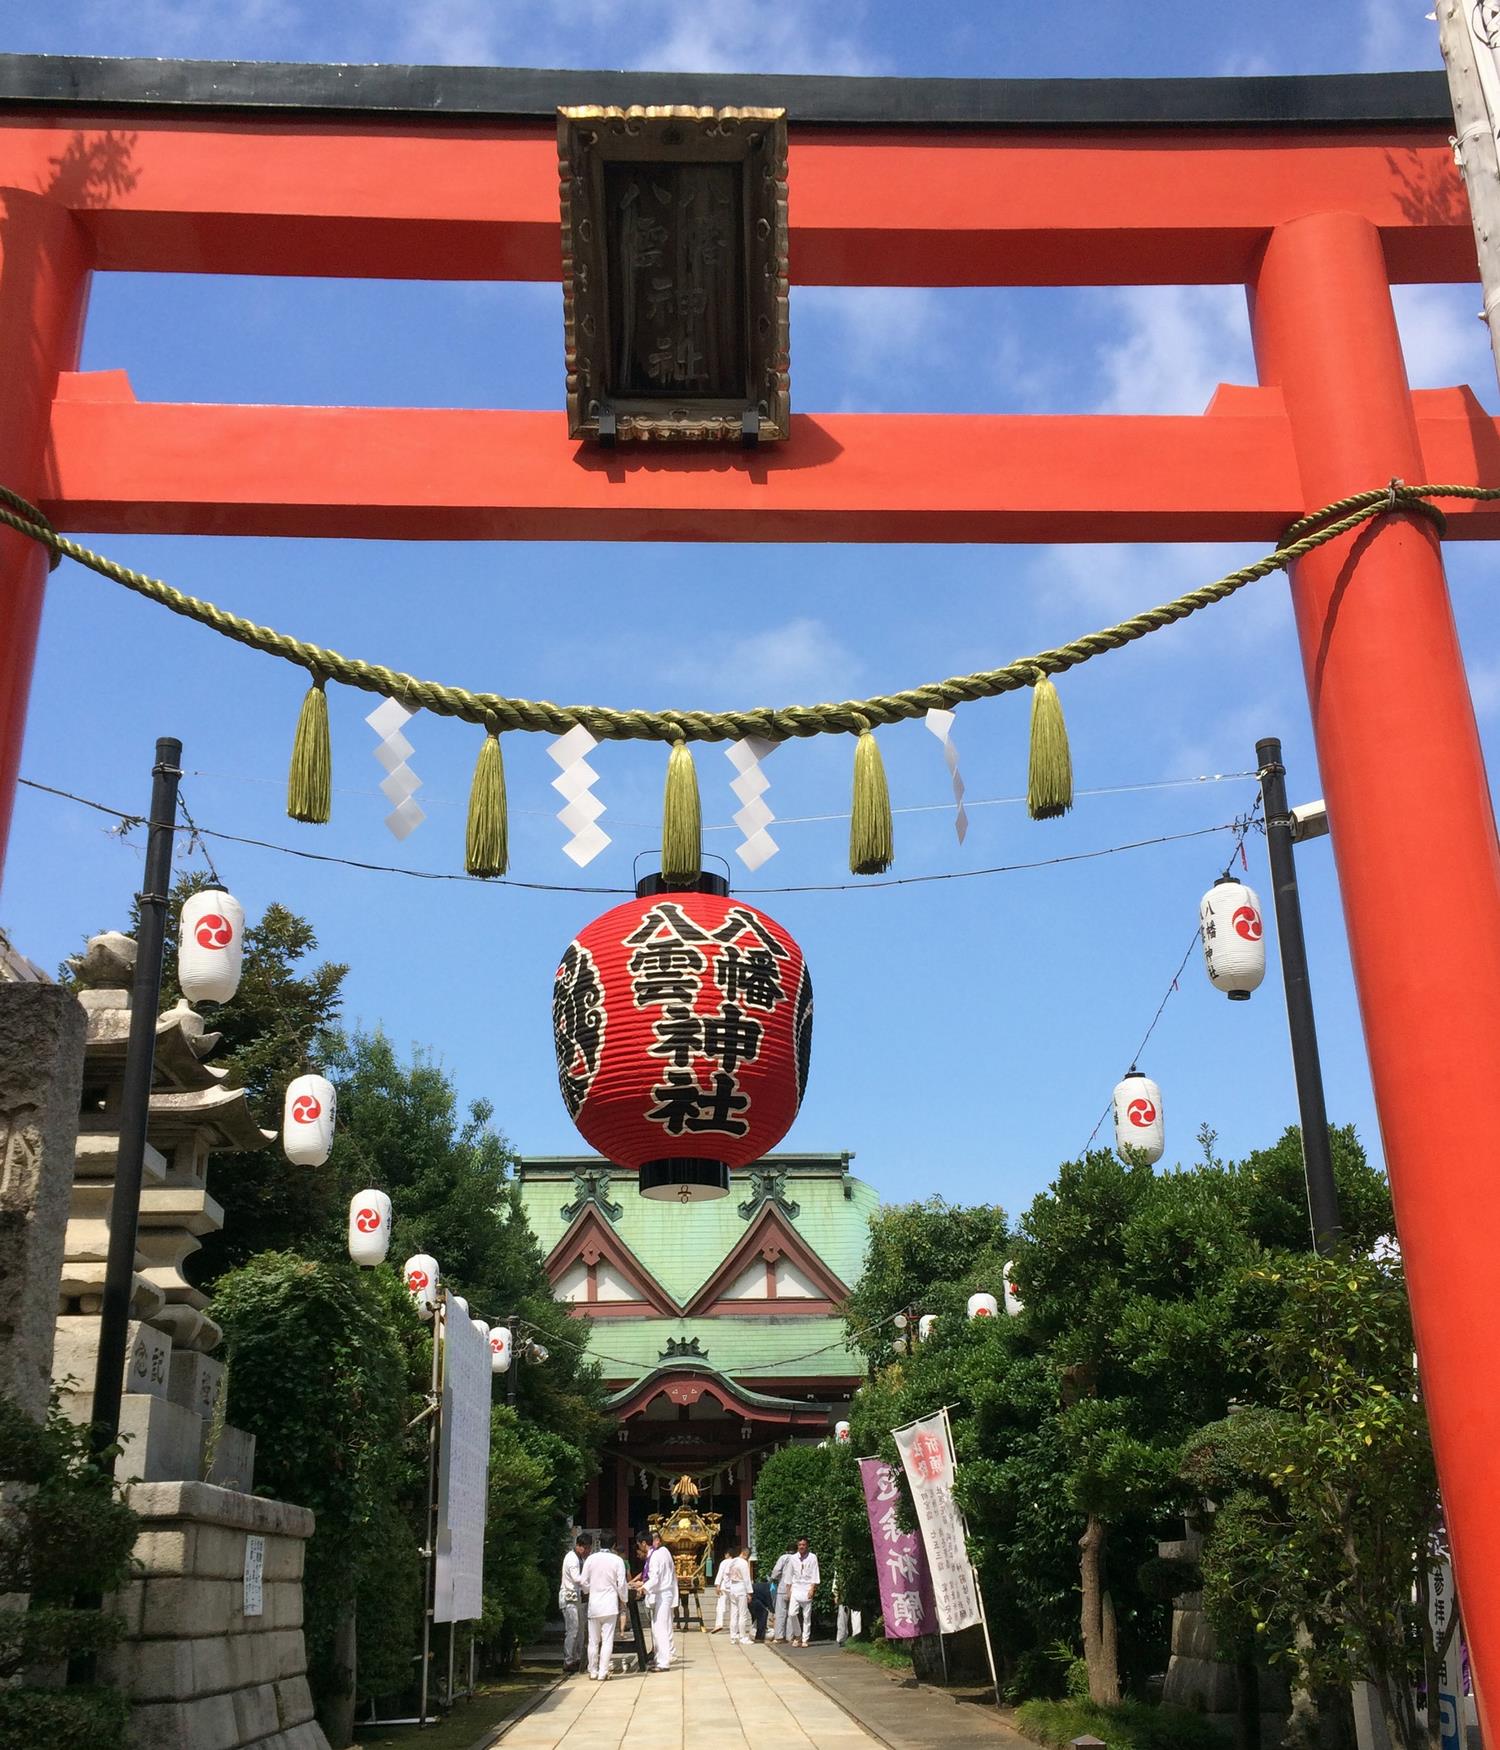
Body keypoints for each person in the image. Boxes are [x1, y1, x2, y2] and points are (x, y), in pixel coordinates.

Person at [579, 1533, 629, 1681]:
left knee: (593, 1641)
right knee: (607, 1640)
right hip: (609, 1605)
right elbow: (622, 1583)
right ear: (614, 1545)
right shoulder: (617, 1560)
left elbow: (583, 1581)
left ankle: (592, 1670)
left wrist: (589, 1590)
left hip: (594, 1604)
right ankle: (603, 1672)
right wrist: (623, 1599)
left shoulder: (591, 1559)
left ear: (599, 1543)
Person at [640, 1531, 678, 1671]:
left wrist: (644, 1587)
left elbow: (655, 1578)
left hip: (662, 1593)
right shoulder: (661, 1553)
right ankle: (660, 1657)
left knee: (661, 1628)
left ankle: (664, 1661)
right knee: (658, 1628)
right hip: (661, 1592)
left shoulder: (658, 1554)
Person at [558, 1533, 592, 1675]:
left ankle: (577, 1657)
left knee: (580, 1629)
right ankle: (568, 1659)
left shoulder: (580, 1559)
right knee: (573, 1629)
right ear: (579, 1546)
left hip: (578, 1597)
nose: (587, 1551)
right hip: (569, 1597)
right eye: (586, 1548)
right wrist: (591, 1582)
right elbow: (577, 1578)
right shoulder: (572, 1559)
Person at [784, 1537, 820, 1646]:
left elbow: (815, 1573)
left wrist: (812, 1588)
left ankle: (805, 1639)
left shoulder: (812, 1557)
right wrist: (788, 1590)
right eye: (800, 1545)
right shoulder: (793, 1558)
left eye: (803, 1545)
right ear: (797, 1546)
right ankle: (798, 1634)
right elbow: (789, 1574)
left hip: (807, 1588)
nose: (801, 1547)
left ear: (807, 1546)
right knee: (791, 1613)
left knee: (806, 1616)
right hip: (796, 1587)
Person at [721, 1545, 753, 1644]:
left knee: (734, 1613)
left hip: (733, 1587)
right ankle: (743, 1636)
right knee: (743, 1614)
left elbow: (726, 1574)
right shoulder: (743, 1563)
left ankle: (733, 1636)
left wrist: (728, 1585)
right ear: (746, 1554)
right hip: (741, 1587)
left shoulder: (732, 1562)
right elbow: (747, 1578)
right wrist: (749, 1592)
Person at [767, 1541, 797, 1642]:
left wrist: (773, 1578)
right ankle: (790, 1636)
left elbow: (776, 1571)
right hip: (795, 1589)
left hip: (783, 1588)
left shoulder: (783, 1558)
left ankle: (779, 1636)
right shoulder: (798, 1558)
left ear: (786, 1550)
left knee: (780, 1613)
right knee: (792, 1614)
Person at [749, 1562, 773, 1642]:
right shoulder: (771, 1592)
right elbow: (772, 1608)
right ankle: (759, 1637)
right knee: (763, 1613)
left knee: (757, 1616)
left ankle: (756, 1634)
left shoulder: (770, 1588)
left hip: (752, 1595)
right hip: (752, 1596)